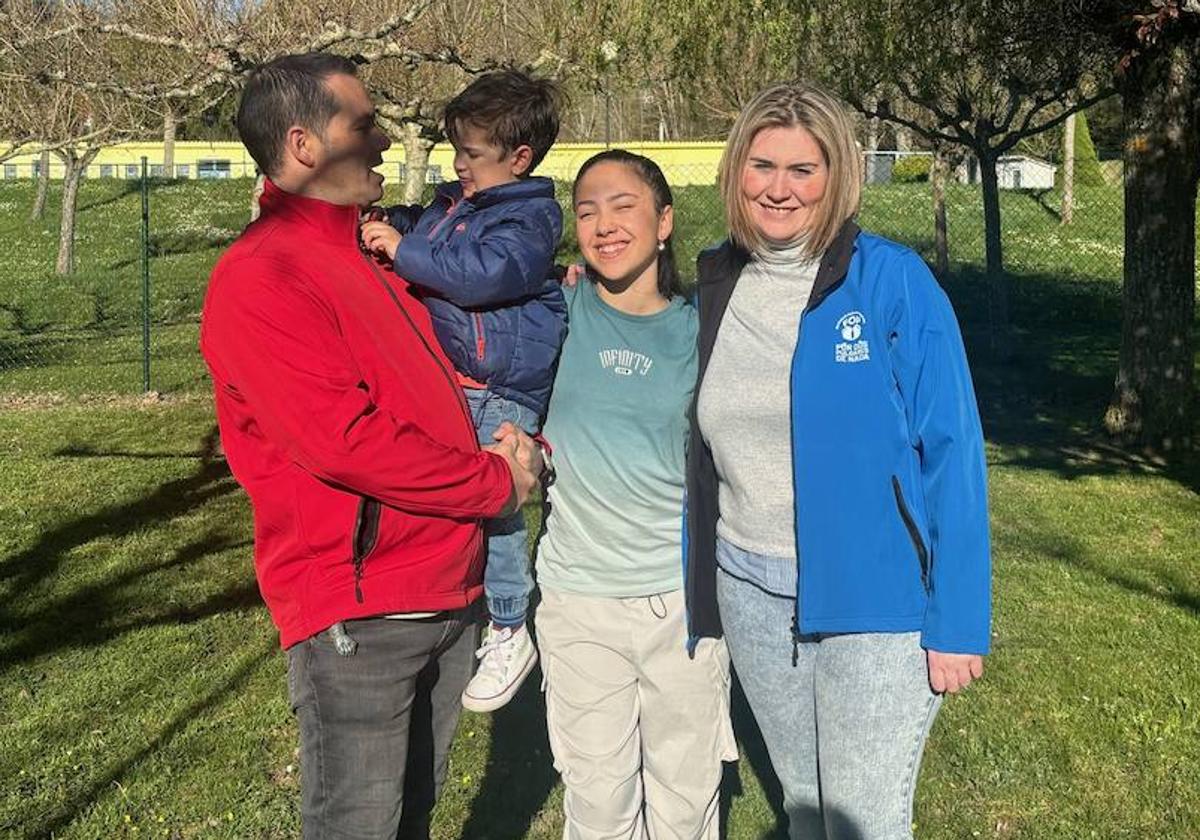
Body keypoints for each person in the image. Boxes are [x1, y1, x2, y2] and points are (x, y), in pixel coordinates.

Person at [199, 53, 542, 839]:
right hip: (365, 610)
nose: (385, 138)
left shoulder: (363, 257)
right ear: (304, 144)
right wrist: (493, 484)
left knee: (410, 819)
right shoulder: (263, 275)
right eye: (364, 123)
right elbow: (345, 442)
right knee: (359, 824)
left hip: (446, 593)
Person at [686, 82, 991, 839]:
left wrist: (959, 620)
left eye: (803, 170)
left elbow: (951, 452)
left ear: (836, 179)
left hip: (873, 601)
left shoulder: (892, 282)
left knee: (863, 820)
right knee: (805, 807)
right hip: (750, 590)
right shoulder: (717, 282)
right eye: (763, 166)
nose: (779, 189)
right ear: (736, 174)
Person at [536, 150, 738, 840]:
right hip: (578, 602)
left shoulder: (700, 332)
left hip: (678, 605)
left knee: (686, 801)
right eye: (587, 211)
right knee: (598, 802)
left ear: (664, 223)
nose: (604, 225)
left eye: (624, 206)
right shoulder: (552, 315)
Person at [360, 70, 567, 713]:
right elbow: (418, 226)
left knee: (501, 500)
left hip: (501, 384)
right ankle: (460, 599)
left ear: (519, 158)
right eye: (458, 151)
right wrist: (379, 223)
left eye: (472, 154)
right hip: (460, 382)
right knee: (454, 492)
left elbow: (482, 277)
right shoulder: (458, 203)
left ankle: (510, 623)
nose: (459, 165)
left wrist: (404, 249)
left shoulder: (528, 219)